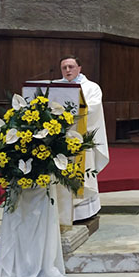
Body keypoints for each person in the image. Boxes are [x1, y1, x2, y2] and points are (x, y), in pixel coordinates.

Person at [55, 55, 110, 221]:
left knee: (83, 173)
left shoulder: (91, 87)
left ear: (79, 68)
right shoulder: (55, 86)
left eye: (71, 67)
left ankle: (84, 211)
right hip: (59, 138)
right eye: (64, 67)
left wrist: (68, 114)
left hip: (81, 136)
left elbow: (93, 108)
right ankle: (60, 211)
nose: (67, 70)